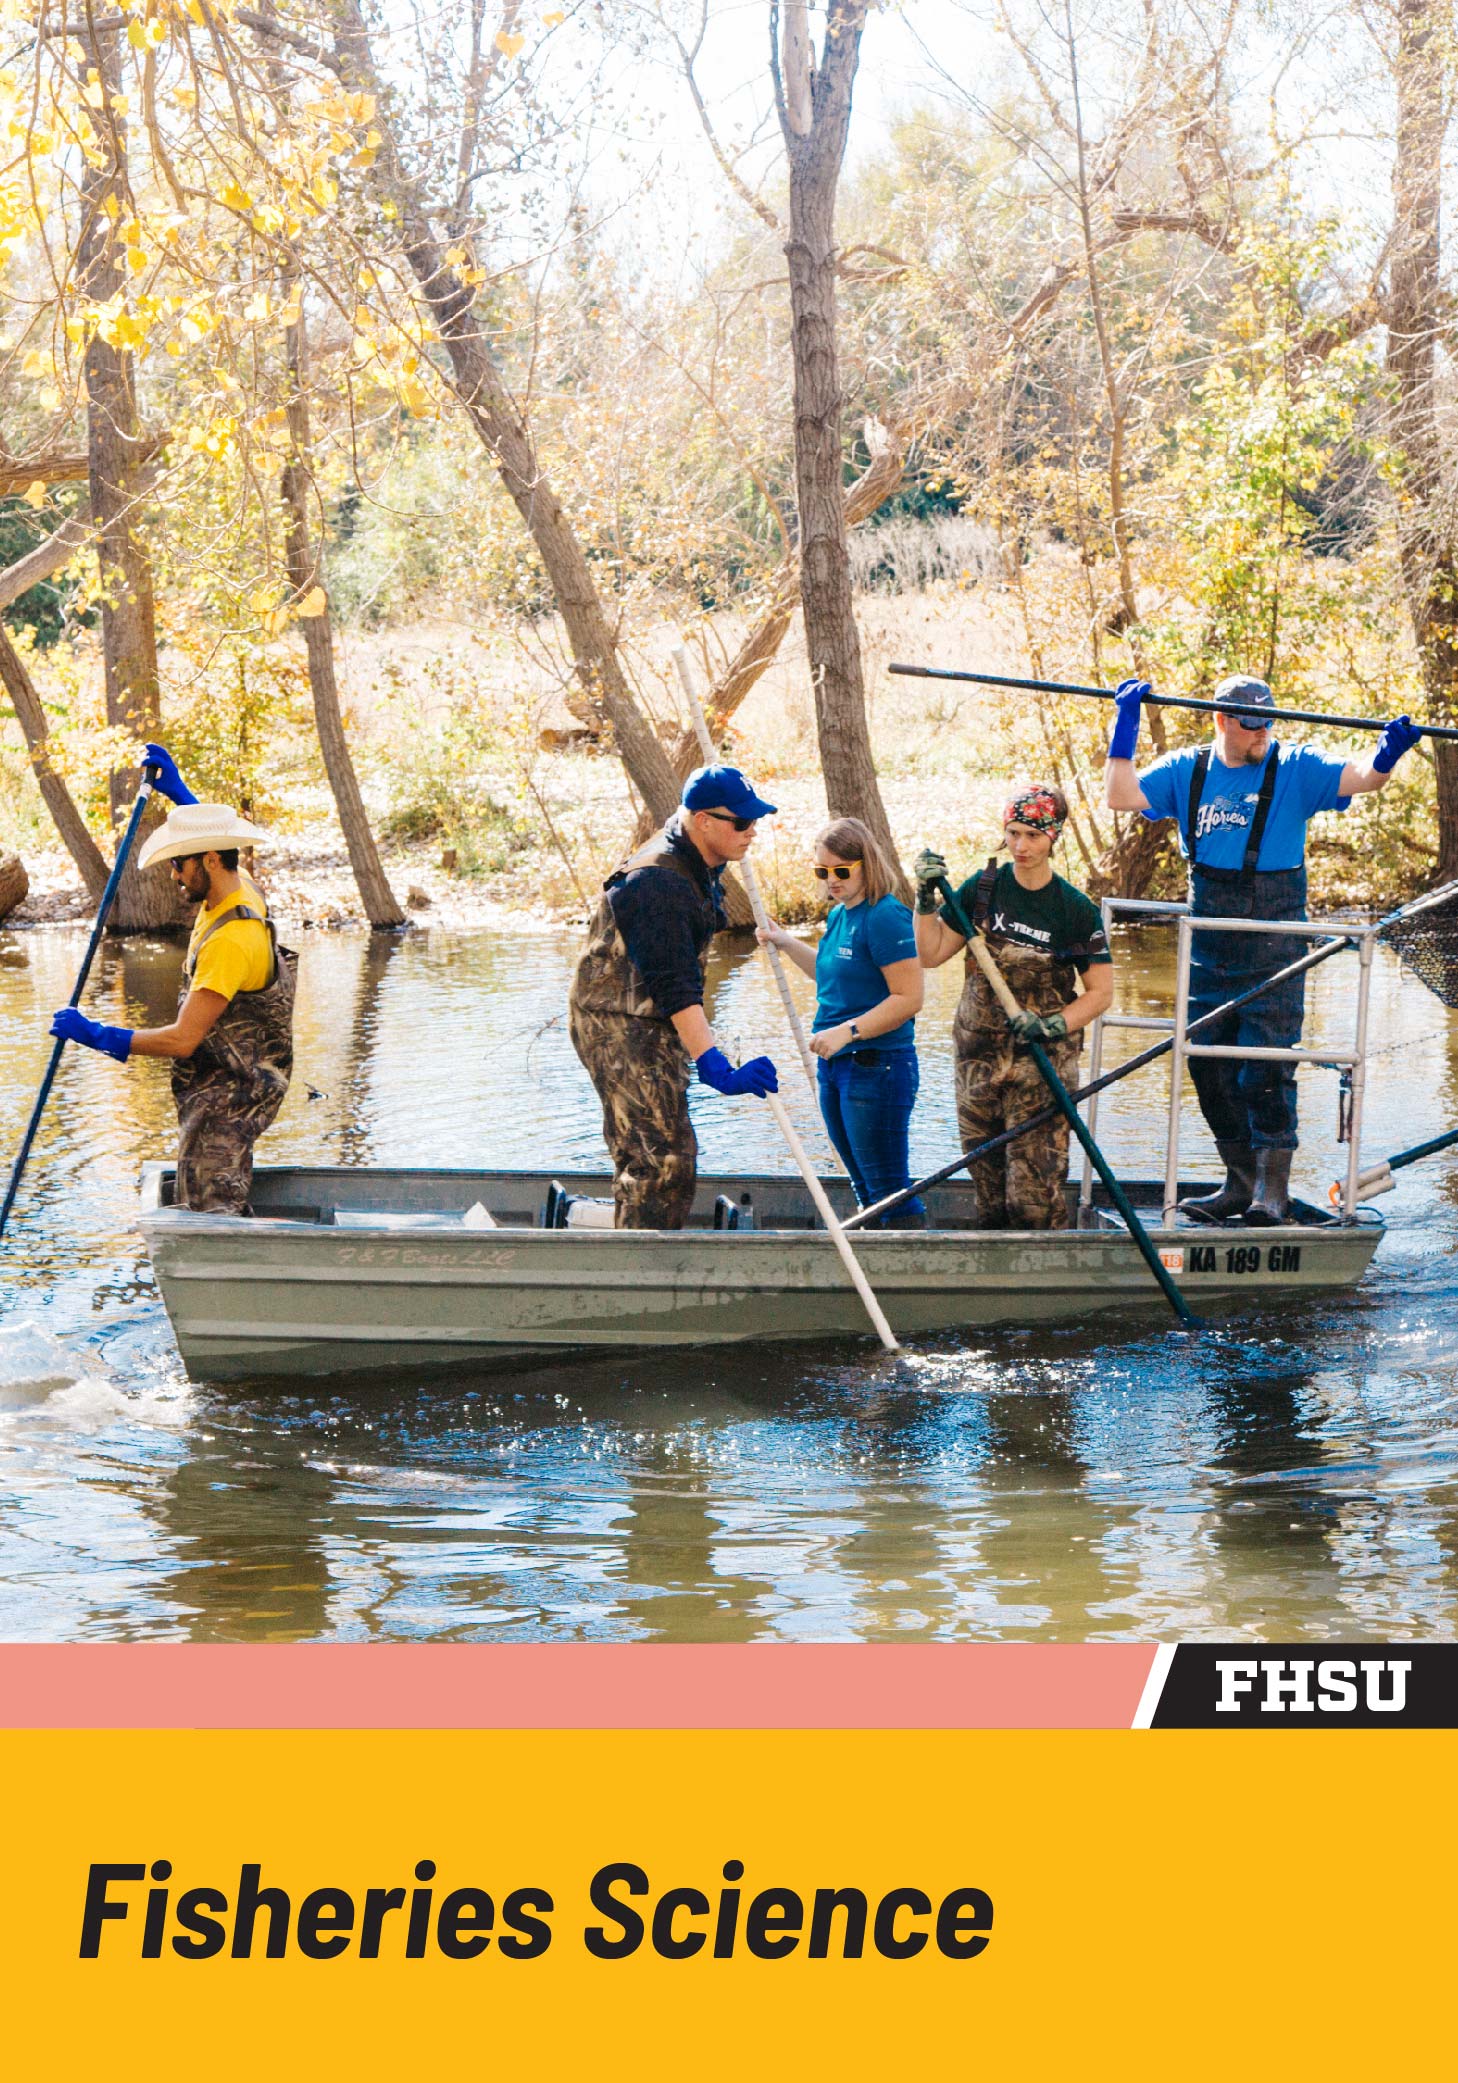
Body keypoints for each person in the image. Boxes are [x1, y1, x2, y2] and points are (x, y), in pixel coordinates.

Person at [1104, 673, 1423, 1223]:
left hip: (1276, 940)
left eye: (1267, 722)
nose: (1261, 734)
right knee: (1207, 1065)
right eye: (1250, 725)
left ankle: (1271, 1196)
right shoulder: (1188, 769)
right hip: (1210, 940)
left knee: (1264, 1069)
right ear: (1221, 721)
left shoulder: (1296, 766)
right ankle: (1239, 1183)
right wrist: (1125, 726)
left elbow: (1365, 779)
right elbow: (1120, 796)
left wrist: (1388, 751)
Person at [50, 744, 295, 1215]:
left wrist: (98, 1035)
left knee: (209, 1208)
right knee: (206, 1194)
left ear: (206, 862)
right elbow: (214, 839)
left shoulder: (232, 941)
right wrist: (181, 795)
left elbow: (183, 1039)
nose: (173, 875)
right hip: (223, 1081)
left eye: (178, 863)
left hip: (232, 1098)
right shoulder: (237, 886)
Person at [569, 764, 779, 1230]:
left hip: (650, 1017)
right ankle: (642, 1271)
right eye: (741, 823)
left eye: (756, 821)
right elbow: (675, 985)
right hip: (617, 1023)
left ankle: (641, 1245)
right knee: (660, 1160)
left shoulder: (699, 862)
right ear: (702, 820)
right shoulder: (657, 882)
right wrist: (713, 1062)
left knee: (669, 1152)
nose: (752, 832)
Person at [913, 785, 1114, 1231]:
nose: (1020, 846)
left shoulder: (1074, 910)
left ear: (1054, 837)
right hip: (977, 1060)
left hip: (1040, 1066)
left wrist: (1052, 1024)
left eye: (1032, 836)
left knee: (1033, 1195)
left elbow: (1100, 993)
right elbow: (930, 954)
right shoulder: (982, 890)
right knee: (986, 1186)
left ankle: (1048, 1278)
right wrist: (925, 901)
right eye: (1013, 833)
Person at [756, 817, 926, 1227]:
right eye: (822, 871)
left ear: (865, 863)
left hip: (877, 1066)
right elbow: (828, 973)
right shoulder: (839, 916)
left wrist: (846, 1032)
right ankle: (872, 1267)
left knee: (888, 1189)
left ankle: (912, 1274)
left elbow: (910, 998)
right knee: (862, 1186)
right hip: (835, 1066)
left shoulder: (885, 917)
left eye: (841, 870)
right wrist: (785, 942)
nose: (831, 880)